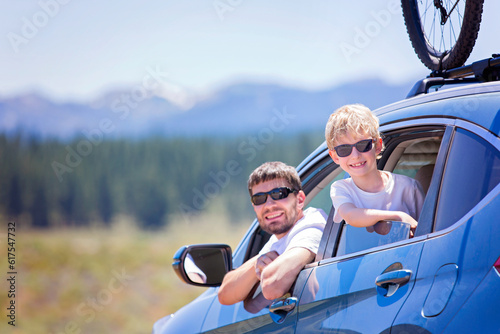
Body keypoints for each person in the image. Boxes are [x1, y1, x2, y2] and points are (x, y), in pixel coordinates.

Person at [217, 161, 327, 305]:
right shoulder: (278, 239)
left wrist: (264, 269)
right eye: (259, 199)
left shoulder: (312, 227)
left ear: (299, 200)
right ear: (254, 206)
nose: (269, 205)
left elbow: (272, 288)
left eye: (279, 194)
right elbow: (224, 295)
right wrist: (257, 263)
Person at [325, 104, 425, 231]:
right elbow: (351, 216)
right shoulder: (342, 189)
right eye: (344, 149)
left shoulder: (409, 187)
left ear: (377, 145)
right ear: (335, 157)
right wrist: (398, 217)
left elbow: (427, 231)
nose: (355, 156)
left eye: (363, 145)